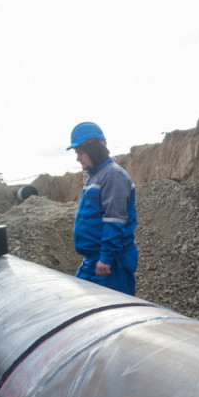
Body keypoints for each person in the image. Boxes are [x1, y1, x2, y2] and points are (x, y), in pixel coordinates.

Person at [68, 122, 139, 295]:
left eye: (81, 152)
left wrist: (106, 258)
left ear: (94, 149)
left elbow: (114, 220)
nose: (78, 158)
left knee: (116, 308)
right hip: (94, 259)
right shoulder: (96, 176)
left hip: (111, 261)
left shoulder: (113, 176)